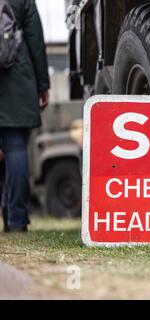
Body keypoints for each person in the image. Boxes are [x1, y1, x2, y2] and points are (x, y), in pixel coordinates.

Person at [0, 0, 50, 232]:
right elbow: (35, 41)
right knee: (15, 147)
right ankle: (16, 219)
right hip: (16, 77)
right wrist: (42, 84)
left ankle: (9, 209)